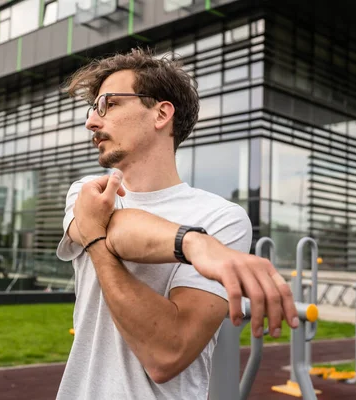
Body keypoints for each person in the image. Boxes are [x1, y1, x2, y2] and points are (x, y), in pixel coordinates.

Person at [55, 48, 298, 399]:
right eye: (92, 109)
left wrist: (96, 238)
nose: (92, 122)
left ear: (161, 113)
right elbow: (119, 229)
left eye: (108, 104)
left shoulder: (222, 218)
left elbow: (166, 355)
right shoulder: (88, 191)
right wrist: (194, 244)